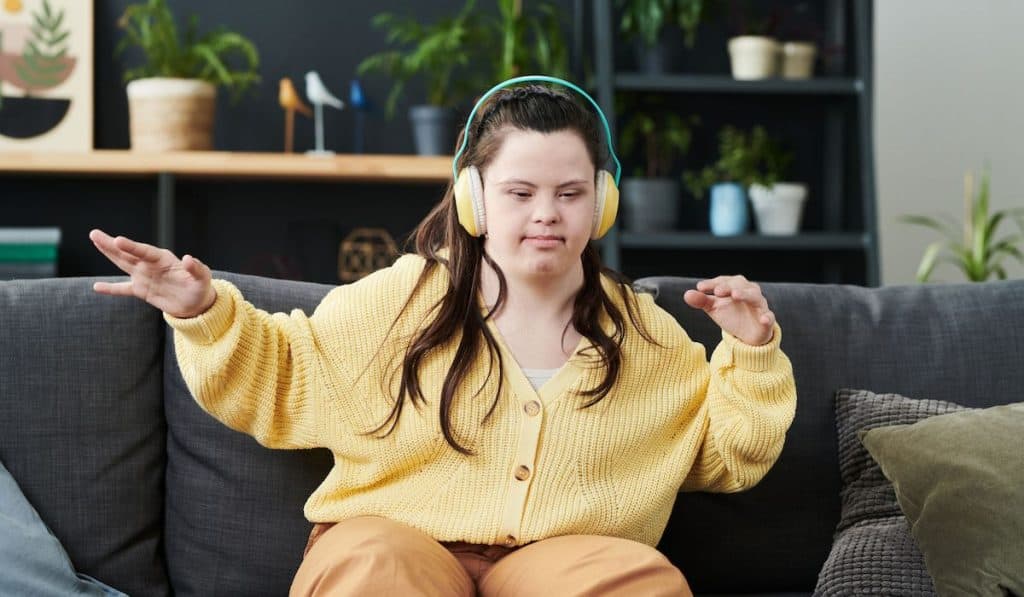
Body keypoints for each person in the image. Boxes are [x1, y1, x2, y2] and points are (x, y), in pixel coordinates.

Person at [90, 76, 796, 597]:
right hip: (395, 548)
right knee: (373, 569)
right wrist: (202, 309)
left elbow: (722, 454)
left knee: (639, 581)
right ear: (474, 198)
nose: (547, 214)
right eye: (521, 193)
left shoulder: (647, 336)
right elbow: (280, 374)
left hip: (564, 562)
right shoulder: (399, 299)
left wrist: (754, 350)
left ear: (602, 203)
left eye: (571, 193)